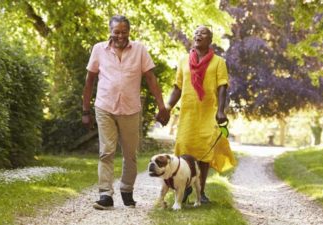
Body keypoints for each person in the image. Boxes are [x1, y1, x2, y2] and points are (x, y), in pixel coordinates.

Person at [82, 15, 170, 210]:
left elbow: (151, 78)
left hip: (130, 109)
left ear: (129, 32)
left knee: (130, 153)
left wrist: (161, 106)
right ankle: (105, 194)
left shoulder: (139, 50)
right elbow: (89, 80)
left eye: (124, 32)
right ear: (110, 32)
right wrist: (85, 110)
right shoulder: (99, 49)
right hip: (105, 107)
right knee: (106, 151)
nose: (120, 36)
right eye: (116, 32)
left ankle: (126, 190)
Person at [165, 25, 236, 203]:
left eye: (203, 33)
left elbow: (222, 87)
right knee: (184, 149)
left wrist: (221, 110)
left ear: (210, 40)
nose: (198, 34)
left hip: (208, 113)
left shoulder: (219, 62)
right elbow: (177, 88)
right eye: (196, 32)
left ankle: (201, 192)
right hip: (188, 113)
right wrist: (167, 108)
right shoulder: (183, 61)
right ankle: (185, 187)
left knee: (204, 153)